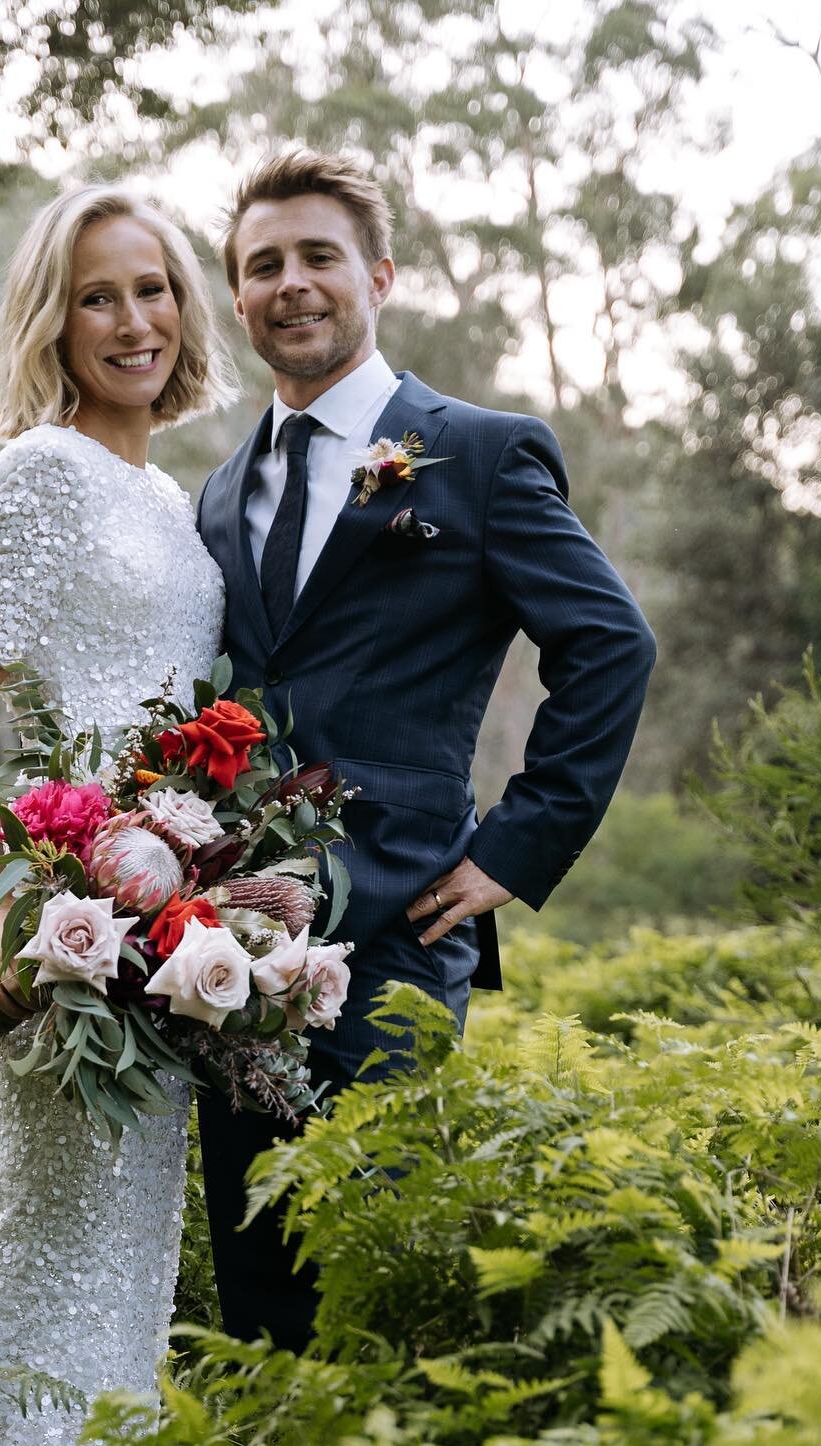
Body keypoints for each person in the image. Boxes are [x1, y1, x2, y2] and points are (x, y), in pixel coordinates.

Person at [194, 146, 658, 1351]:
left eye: (317, 258)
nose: (291, 284)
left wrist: (516, 846)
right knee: (260, 1297)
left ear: (379, 275)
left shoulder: (484, 455)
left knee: (379, 1276)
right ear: (237, 299)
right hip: (230, 948)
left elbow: (612, 648)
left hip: (404, 924)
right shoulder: (215, 491)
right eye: (262, 266)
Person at [0, 186, 235, 1446]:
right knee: (29, 1257)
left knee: (116, 1270)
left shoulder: (167, 496)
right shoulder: (35, 470)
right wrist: (9, 910)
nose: (132, 320)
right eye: (98, 296)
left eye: (152, 289)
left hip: (165, 932)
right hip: (63, 933)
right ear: (56, 318)